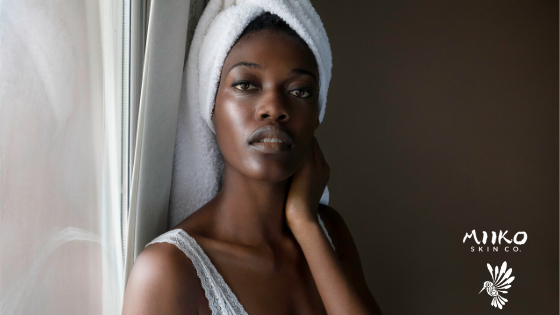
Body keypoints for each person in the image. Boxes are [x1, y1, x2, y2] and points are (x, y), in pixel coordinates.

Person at [122, 5, 382, 315]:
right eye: (246, 85)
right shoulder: (167, 271)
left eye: (299, 90)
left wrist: (305, 222)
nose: (273, 107)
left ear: (318, 115)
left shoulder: (331, 232)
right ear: (210, 105)